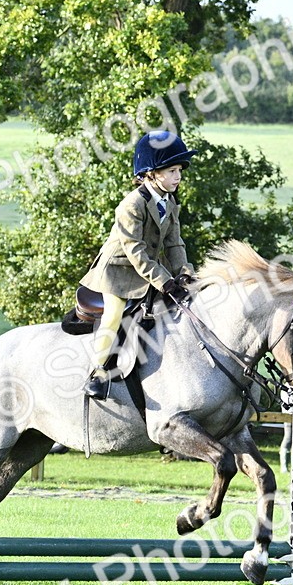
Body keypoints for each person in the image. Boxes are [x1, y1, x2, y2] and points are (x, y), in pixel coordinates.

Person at [79, 129, 197, 399]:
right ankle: (98, 371)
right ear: (151, 173)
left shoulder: (169, 202)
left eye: (179, 170)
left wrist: (185, 274)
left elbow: (175, 244)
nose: (178, 177)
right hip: (117, 272)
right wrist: (165, 281)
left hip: (147, 272)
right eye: (171, 171)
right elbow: (136, 251)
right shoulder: (131, 205)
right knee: (113, 315)